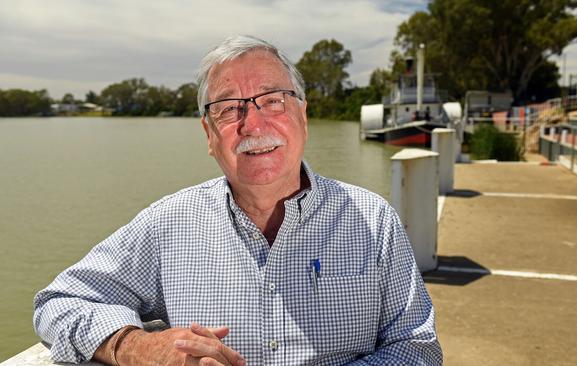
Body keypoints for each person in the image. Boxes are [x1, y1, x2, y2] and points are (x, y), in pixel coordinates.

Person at [34, 35, 443, 366]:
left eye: (272, 100)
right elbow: (58, 302)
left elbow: (417, 349)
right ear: (209, 136)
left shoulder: (373, 220)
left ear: (303, 115)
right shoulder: (168, 224)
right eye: (228, 109)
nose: (253, 123)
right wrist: (136, 347)